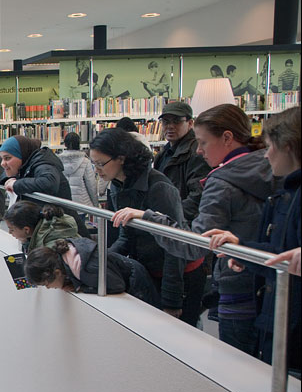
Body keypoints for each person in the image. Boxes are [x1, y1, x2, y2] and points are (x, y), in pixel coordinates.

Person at [112, 104, 274, 358]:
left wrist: (151, 217)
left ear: (227, 138)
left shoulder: (222, 181)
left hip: (236, 281)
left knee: (238, 365)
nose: (199, 150)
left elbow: (192, 244)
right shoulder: (269, 168)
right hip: (267, 282)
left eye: (203, 142)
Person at [204, 107, 300, 371]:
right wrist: (243, 250)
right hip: (272, 313)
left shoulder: (289, 195)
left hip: (289, 322)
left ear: (289, 147)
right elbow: (279, 252)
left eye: (270, 146)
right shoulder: (282, 193)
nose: (266, 154)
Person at [90, 128, 202, 325]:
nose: (97, 170)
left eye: (100, 164)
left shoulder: (159, 188)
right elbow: (126, 236)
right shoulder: (117, 184)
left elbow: (174, 245)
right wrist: (100, 263)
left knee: (180, 335)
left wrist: (172, 299)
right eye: (94, 164)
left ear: (122, 158)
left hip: (180, 275)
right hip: (151, 269)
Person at [25, 239, 160, 307]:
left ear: (57, 272)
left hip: (138, 284)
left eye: (46, 284)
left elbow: (117, 286)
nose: (48, 288)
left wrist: (81, 288)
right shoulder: (67, 256)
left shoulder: (87, 268)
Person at [1, 134, 87, 235]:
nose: (2, 163)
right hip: (51, 228)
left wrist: (16, 184)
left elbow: (48, 183)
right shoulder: (27, 164)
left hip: (62, 230)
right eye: (2, 159)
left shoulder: (44, 163)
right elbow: (3, 176)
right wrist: (11, 179)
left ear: (22, 155)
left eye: (7, 158)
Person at [152, 101, 211, 223]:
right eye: (166, 122)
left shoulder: (196, 153)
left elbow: (197, 196)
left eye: (176, 121)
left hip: (182, 224)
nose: (170, 126)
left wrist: (170, 216)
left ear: (190, 123)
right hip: (167, 220)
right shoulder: (164, 153)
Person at [4, 201, 79, 254]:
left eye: (11, 229)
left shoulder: (50, 246)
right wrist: (25, 242)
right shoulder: (43, 228)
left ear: (26, 229)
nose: (9, 232)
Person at [59, 132, 99, 219]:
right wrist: (95, 204)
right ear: (78, 144)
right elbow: (91, 184)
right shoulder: (85, 161)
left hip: (64, 202)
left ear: (65, 144)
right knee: (81, 230)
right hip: (81, 203)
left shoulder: (58, 161)